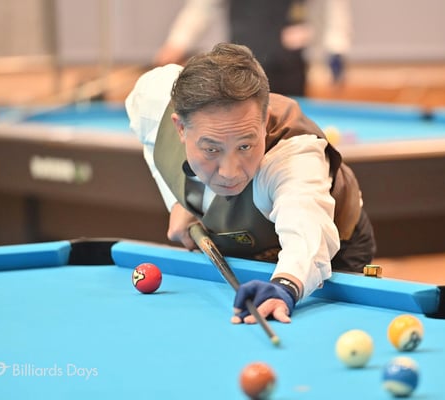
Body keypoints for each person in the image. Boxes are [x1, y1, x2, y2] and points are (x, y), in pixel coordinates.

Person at [126, 43, 375, 325]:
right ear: (180, 128)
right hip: (240, 238)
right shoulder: (153, 102)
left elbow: (306, 227)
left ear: (264, 122)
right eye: (211, 149)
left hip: (333, 248)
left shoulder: (293, 157)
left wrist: (286, 285)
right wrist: (175, 201)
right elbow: (148, 134)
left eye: (245, 146)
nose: (230, 172)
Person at [154, 0, 352, 96]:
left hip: (288, 68)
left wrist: (336, 50)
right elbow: (202, 8)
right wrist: (176, 43)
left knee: (290, 130)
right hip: (240, 68)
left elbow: (333, 8)